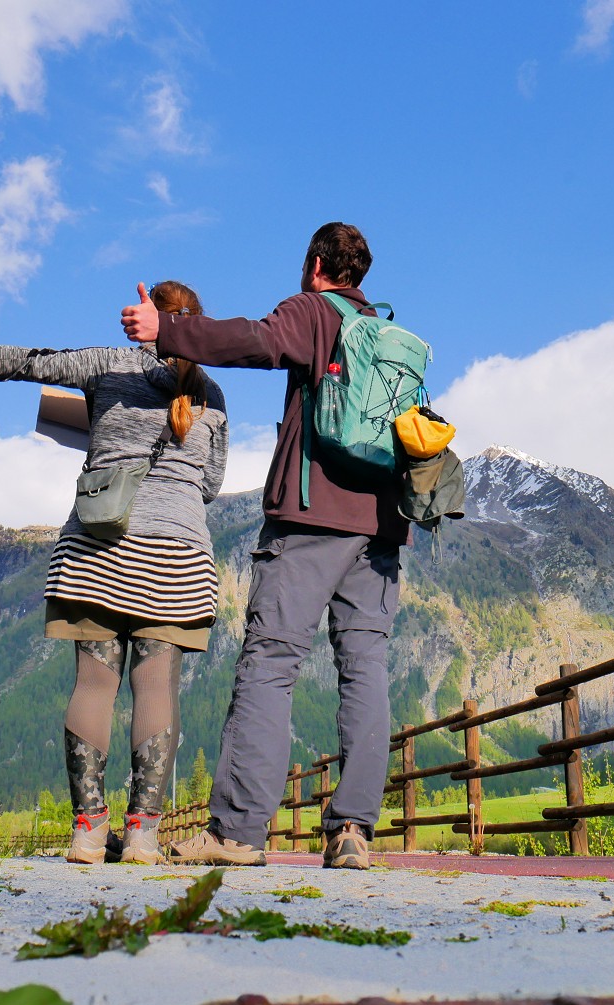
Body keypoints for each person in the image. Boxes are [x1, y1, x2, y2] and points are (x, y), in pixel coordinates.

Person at [0, 282, 228, 864]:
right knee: (155, 687)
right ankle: (144, 833)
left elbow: (20, 364)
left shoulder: (108, 365)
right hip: (176, 554)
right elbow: (212, 484)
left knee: (94, 684)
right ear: (196, 322)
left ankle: (88, 831)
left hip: (99, 545)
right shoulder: (211, 392)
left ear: (148, 316)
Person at [120, 223, 404, 870]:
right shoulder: (386, 333)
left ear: (315, 265)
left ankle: (239, 830)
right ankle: (353, 829)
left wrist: (166, 330)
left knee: (271, 662)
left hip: (313, 515)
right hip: (383, 523)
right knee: (366, 672)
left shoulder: (311, 311)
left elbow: (254, 340)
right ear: (359, 273)